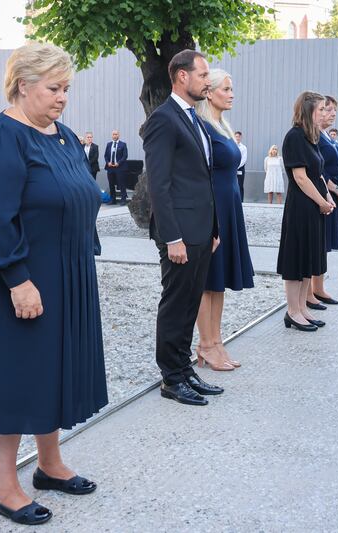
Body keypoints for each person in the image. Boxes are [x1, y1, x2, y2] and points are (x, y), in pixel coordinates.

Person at [0, 43, 106, 526]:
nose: (63, 98)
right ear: (23, 85)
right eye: (54, 88)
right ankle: (5, 486)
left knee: (50, 370)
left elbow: (78, 196)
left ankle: (49, 464)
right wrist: (18, 280)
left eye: (67, 88)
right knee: (14, 378)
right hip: (16, 279)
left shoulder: (59, 135)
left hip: (64, 273)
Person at [143, 49, 223, 406]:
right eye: (203, 75)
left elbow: (202, 179)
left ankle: (185, 368)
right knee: (176, 304)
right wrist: (172, 236)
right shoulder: (164, 119)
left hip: (201, 230)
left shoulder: (193, 118)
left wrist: (214, 229)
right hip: (179, 234)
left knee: (191, 302)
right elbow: (158, 185)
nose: (209, 81)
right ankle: (171, 378)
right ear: (181, 77)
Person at [195, 69, 255, 371]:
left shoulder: (221, 125)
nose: (232, 94)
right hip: (213, 207)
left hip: (229, 205)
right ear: (209, 92)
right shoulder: (203, 126)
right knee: (206, 281)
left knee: (218, 281)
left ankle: (216, 342)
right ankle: (205, 345)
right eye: (226, 89)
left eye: (232, 89)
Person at [277, 91, 335, 332]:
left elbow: (317, 173)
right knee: (296, 258)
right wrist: (321, 200)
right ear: (308, 110)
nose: (324, 113)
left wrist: (327, 196)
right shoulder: (295, 136)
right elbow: (300, 178)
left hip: (314, 206)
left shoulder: (311, 137)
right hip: (301, 206)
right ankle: (292, 311)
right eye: (320, 109)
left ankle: (302, 308)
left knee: (308, 259)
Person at [309, 96, 338, 308]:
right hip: (325, 192)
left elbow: (337, 163)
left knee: (324, 244)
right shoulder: (315, 136)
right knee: (318, 242)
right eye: (327, 109)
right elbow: (319, 170)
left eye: (334, 111)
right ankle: (314, 290)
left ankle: (319, 288)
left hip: (336, 191)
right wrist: (335, 189)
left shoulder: (327, 136)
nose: (332, 114)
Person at [104, 130, 128, 204]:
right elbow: (105, 155)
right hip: (110, 168)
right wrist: (108, 162)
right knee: (111, 184)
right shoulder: (109, 144)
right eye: (113, 134)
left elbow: (125, 156)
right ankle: (113, 199)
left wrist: (119, 163)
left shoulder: (123, 144)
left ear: (118, 135)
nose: (114, 136)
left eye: (116, 134)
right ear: (112, 135)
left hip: (119, 168)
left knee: (121, 184)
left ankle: (123, 199)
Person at [235, 131, 247, 201]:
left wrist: (237, 166)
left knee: (240, 185)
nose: (237, 138)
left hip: (240, 168)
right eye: (236, 136)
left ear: (241, 137)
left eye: (238, 136)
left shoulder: (243, 148)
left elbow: (244, 159)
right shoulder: (232, 145)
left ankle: (241, 201)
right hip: (232, 168)